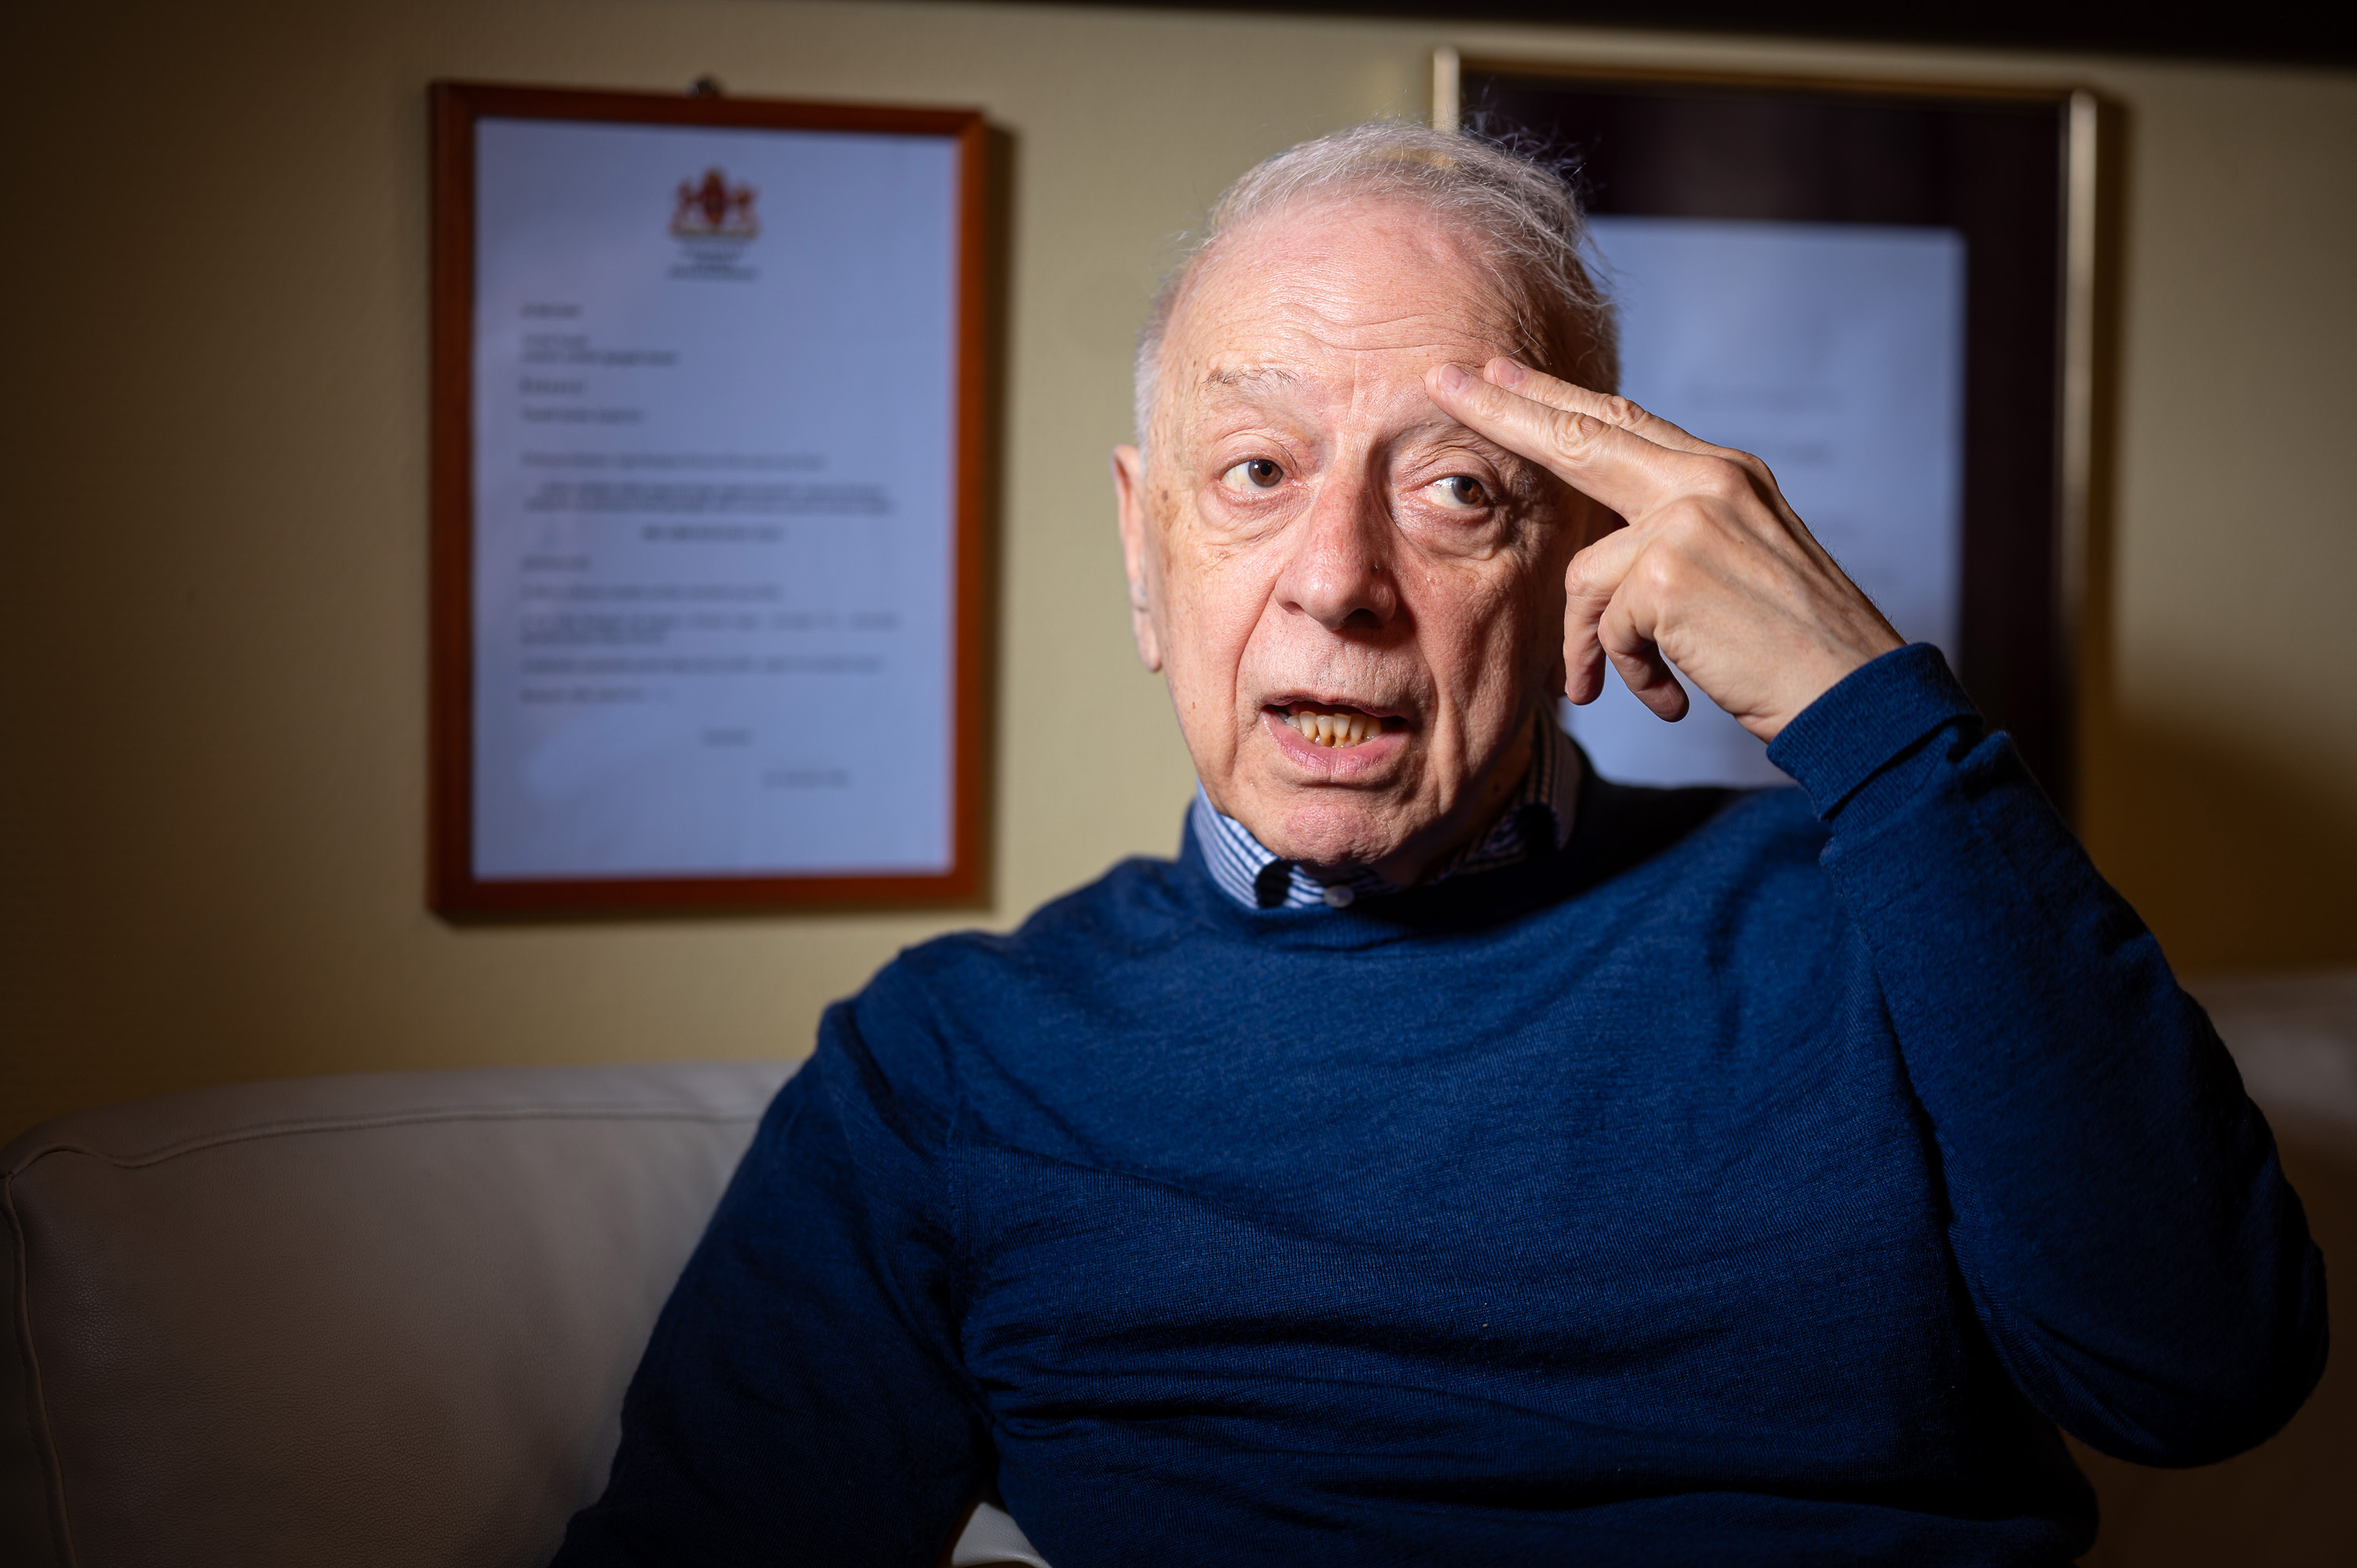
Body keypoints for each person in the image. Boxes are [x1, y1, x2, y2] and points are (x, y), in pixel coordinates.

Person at [554, 123, 2326, 1567]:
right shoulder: (950, 1061)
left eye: (1458, 486)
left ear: (1583, 553)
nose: (1339, 579)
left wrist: (1861, 703)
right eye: (1256, 471)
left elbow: (2203, 1371)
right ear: (1144, 553)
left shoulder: (1879, 912)